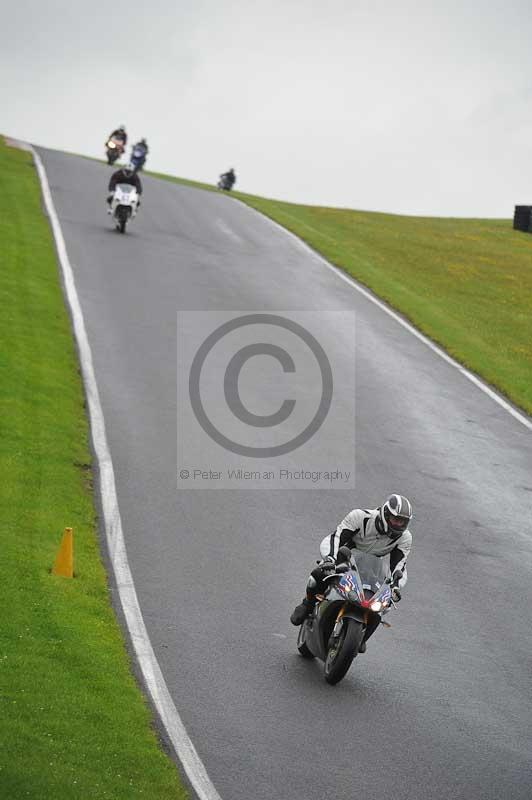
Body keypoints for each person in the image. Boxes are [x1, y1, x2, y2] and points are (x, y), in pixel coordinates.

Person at [290, 494, 413, 641]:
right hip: (343, 556)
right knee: (318, 574)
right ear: (385, 514)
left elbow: (400, 565)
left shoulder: (405, 537)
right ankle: (307, 605)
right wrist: (330, 559)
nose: (399, 525)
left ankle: (361, 637)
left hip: (371, 567)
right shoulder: (360, 517)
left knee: (384, 603)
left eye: (403, 522)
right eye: (396, 519)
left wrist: (395, 586)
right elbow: (336, 537)